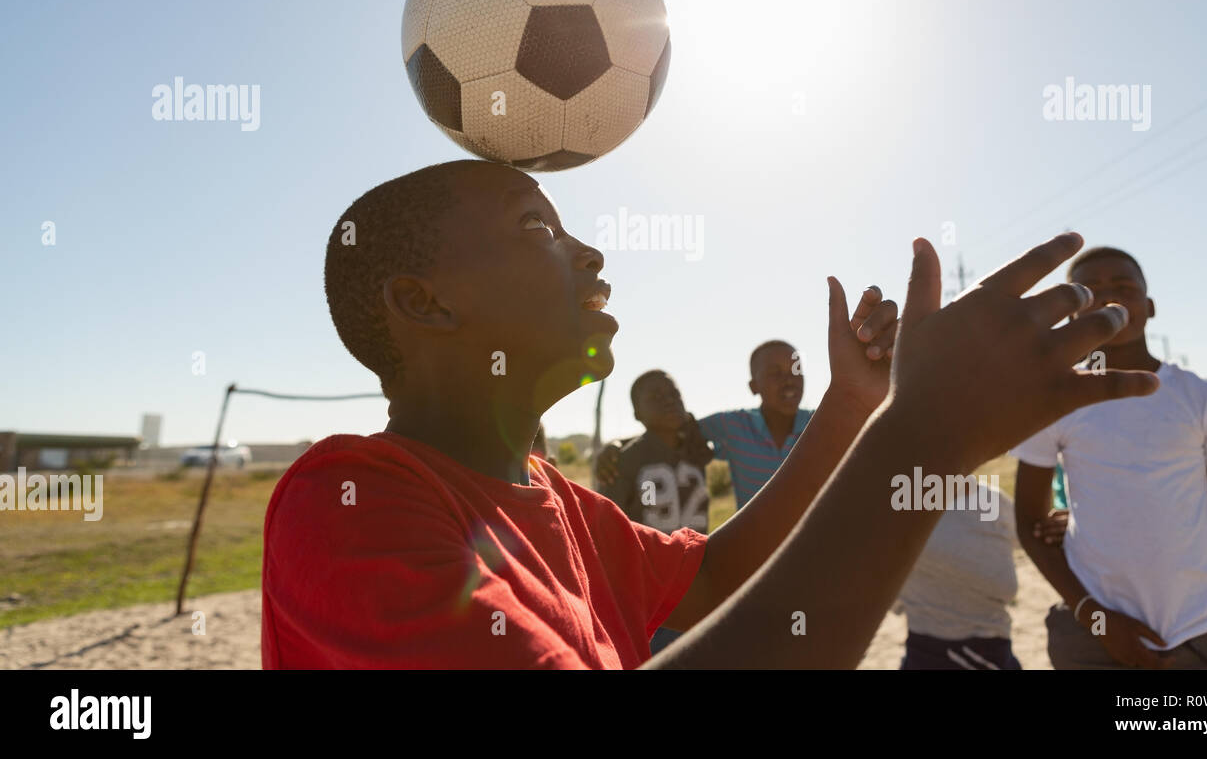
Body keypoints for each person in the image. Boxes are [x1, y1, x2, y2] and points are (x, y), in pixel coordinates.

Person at [262, 159, 1155, 668]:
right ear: (424, 304)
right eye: (536, 225)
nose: (591, 250)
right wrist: (924, 435)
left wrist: (851, 407)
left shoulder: (558, 502)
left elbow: (720, 576)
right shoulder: (341, 502)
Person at [1012, 246, 1207, 670]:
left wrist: (1165, 527)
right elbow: (1029, 521)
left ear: (1149, 307)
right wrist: (1095, 618)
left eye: (1125, 287)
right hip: (1092, 633)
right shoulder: (1050, 402)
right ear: (1071, 312)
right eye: (1089, 289)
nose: (1109, 296)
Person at [596, 338, 829, 513]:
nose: (789, 380)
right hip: (753, 552)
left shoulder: (821, 424)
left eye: (796, 371)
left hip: (812, 545)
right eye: (775, 373)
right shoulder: (733, 425)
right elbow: (673, 431)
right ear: (753, 386)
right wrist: (615, 446)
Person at [595, 370, 712, 653]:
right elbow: (609, 530)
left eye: (674, 393)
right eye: (656, 396)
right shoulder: (625, 460)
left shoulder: (696, 448)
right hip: (652, 591)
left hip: (699, 576)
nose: (669, 400)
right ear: (637, 413)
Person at [892, 481, 1022, 669]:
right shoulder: (898, 510)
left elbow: (1032, 536)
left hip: (998, 656)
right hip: (929, 656)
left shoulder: (992, 501)